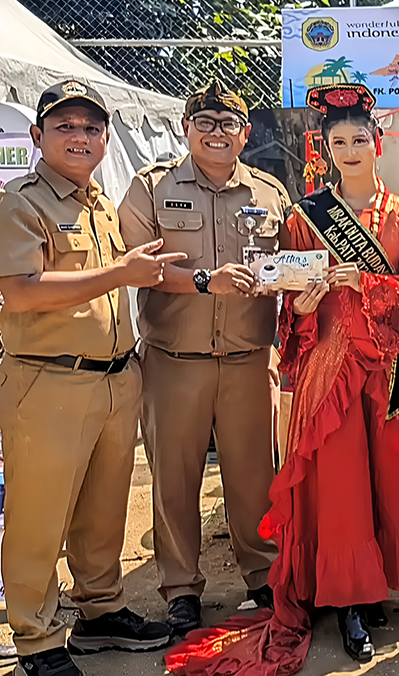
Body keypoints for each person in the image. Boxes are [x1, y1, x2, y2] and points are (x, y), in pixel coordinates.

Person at [164, 84, 399, 675]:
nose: (350, 150)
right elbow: (288, 294)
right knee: (339, 486)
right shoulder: (304, 215)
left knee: (384, 475)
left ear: (377, 142)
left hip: (386, 367)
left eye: (359, 139)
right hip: (329, 369)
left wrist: (359, 282)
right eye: (338, 141)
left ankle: (376, 583)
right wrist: (308, 295)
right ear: (326, 146)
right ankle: (347, 600)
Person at [0, 80, 178, 676]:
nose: (80, 137)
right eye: (65, 126)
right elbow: (20, 293)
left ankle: (100, 610)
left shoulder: (97, 201)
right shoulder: (20, 204)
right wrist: (120, 274)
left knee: (103, 509)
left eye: (91, 128)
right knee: (39, 516)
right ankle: (37, 638)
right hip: (49, 382)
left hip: (114, 377)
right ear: (37, 136)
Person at [118, 80, 286, 635]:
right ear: (186, 129)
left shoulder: (269, 193)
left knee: (254, 476)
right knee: (174, 478)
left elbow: (289, 262)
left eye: (228, 123)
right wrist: (204, 281)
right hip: (174, 359)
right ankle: (181, 588)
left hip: (246, 358)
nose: (217, 132)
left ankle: (262, 576)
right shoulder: (152, 188)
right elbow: (134, 264)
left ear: (244, 133)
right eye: (205, 122)